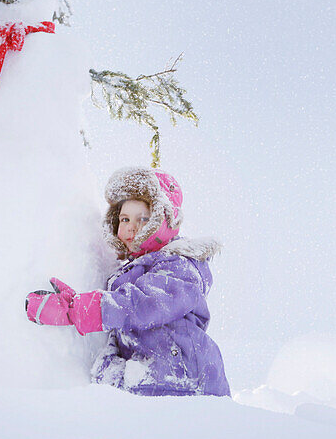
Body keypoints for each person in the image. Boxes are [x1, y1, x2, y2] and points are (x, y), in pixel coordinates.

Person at [24, 167, 230, 396]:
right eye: (124, 218)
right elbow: (122, 333)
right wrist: (107, 368)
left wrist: (77, 310)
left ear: (164, 221)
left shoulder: (180, 266)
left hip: (187, 382)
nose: (131, 226)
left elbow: (143, 305)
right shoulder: (129, 275)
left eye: (144, 218)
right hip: (155, 384)